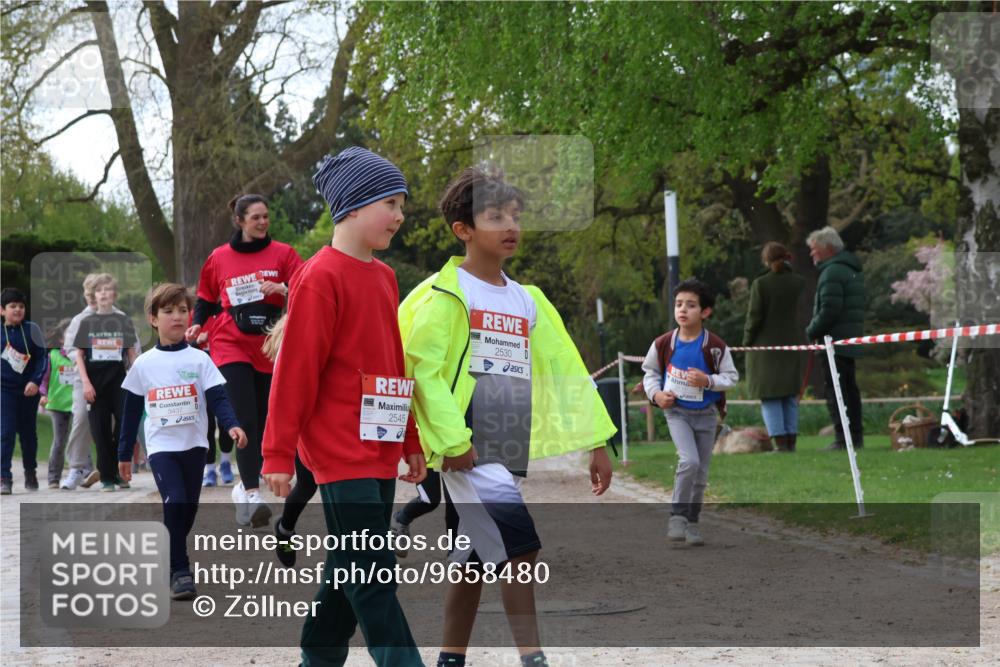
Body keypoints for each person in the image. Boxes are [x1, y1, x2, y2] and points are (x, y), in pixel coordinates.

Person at [399, 166, 615, 667]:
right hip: (466, 439)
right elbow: (422, 372)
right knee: (521, 545)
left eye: (515, 215)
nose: (510, 225)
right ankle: (533, 657)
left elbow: (566, 369)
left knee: (472, 557)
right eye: (495, 216)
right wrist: (453, 441)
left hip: (508, 429)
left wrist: (597, 441)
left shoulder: (528, 299)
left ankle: (450, 657)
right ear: (464, 230)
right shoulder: (443, 294)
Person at [262, 146, 426, 666]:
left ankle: (318, 657)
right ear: (352, 207)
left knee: (350, 567)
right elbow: (295, 373)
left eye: (402, 204)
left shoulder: (384, 276)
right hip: (336, 450)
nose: (400, 215)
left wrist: (410, 440)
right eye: (390, 202)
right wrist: (277, 454)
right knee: (374, 573)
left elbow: (393, 365)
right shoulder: (319, 276)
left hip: (379, 447)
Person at [118, 283, 247, 600]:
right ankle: (180, 570)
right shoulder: (144, 364)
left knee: (186, 510)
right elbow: (131, 411)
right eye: (168, 311)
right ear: (152, 318)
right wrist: (123, 454)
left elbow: (218, 398)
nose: (177, 316)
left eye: (182, 310)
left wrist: (231, 425)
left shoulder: (200, 359)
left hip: (196, 447)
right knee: (174, 501)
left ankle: (169, 553)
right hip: (162, 449)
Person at [187, 194, 303, 526]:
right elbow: (207, 299)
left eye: (266, 216)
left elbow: (308, 287)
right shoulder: (219, 257)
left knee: (267, 417)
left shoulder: (284, 254)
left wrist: (281, 288)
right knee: (245, 418)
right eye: (256, 217)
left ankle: (242, 490)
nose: (263, 222)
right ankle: (252, 492)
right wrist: (198, 323)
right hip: (229, 341)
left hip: (268, 345)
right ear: (239, 221)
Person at [641, 278, 739, 546]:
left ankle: (693, 523)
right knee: (689, 462)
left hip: (706, 414)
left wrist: (708, 381)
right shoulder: (663, 344)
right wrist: (657, 395)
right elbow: (650, 373)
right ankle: (677, 516)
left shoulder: (715, 345)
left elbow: (731, 377)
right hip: (677, 413)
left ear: (705, 312)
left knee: (701, 474)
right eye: (678, 304)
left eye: (691, 305)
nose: (683, 310)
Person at [60, 273, 139, 490]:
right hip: (85, 379)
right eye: (95, 291)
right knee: (84, 419)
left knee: (120, 424)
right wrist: (86, 381)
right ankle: (77, 467)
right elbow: (74, 352)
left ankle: (114, 469)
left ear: (114, 293)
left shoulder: (122, 318)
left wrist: (137, 376)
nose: (99, 295)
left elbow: (134, 351)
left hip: (117, 378)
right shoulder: (81, 320)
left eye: (106, 289)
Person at [259, 314, 318, 568]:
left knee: (325, 486)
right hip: (302, 427)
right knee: (307, 485)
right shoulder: (295, 337)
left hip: (330, 423)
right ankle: (285, 529)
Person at [743, 242, 807, 452]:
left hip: (765, 350)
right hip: (792, 345)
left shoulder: (761, 284)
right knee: (789, 395)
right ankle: (791, 442)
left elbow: (754, 318)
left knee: (770, 396)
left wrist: (747, 342)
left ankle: (779, 444)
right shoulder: (799, 282)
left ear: (766, 260)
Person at [805, 226, 865, 450]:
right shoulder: (850, 269)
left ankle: (843, 438)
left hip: (834, 342)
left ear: (827, 248)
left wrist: (812, 330)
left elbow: (829, 309)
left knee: (837, 391)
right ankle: (854, 436)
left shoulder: (832, 273)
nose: (812, 254)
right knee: (850, 390)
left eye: (814, 249)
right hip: (848, 340)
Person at [1, 287, 48, 495]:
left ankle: (30, 471)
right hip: (4, 390)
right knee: (6, 432)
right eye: (13, 306)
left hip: (28, 390)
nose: (18, 310)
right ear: (2, 310)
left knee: (28, 434)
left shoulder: (32, 329)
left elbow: (42, 358)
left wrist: (35, 381)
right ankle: (4, 477)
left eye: (21, 306)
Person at [194, 315, 234, 486]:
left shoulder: (228, 313)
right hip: (201, 376)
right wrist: (197, 342)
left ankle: (225, 462)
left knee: (226, 421)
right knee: (207, 424)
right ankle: (209, 469)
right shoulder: (195, 317)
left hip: (225, 370)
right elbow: (183, 346)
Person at [40, 319, 76, 488]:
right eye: (69, 334)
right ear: (61, 339)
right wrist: (43, 394)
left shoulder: (81, 357)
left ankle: (85, 472)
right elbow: (44, 379)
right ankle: (53, 478)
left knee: (79, 439)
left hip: (77, 404)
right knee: (59, 442)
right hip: (57, 406)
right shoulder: (52, 356)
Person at [389, 470, 441, 558]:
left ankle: (457, 556)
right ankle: (400, 520)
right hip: (428, 459)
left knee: (456, 501)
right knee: (429, 499)